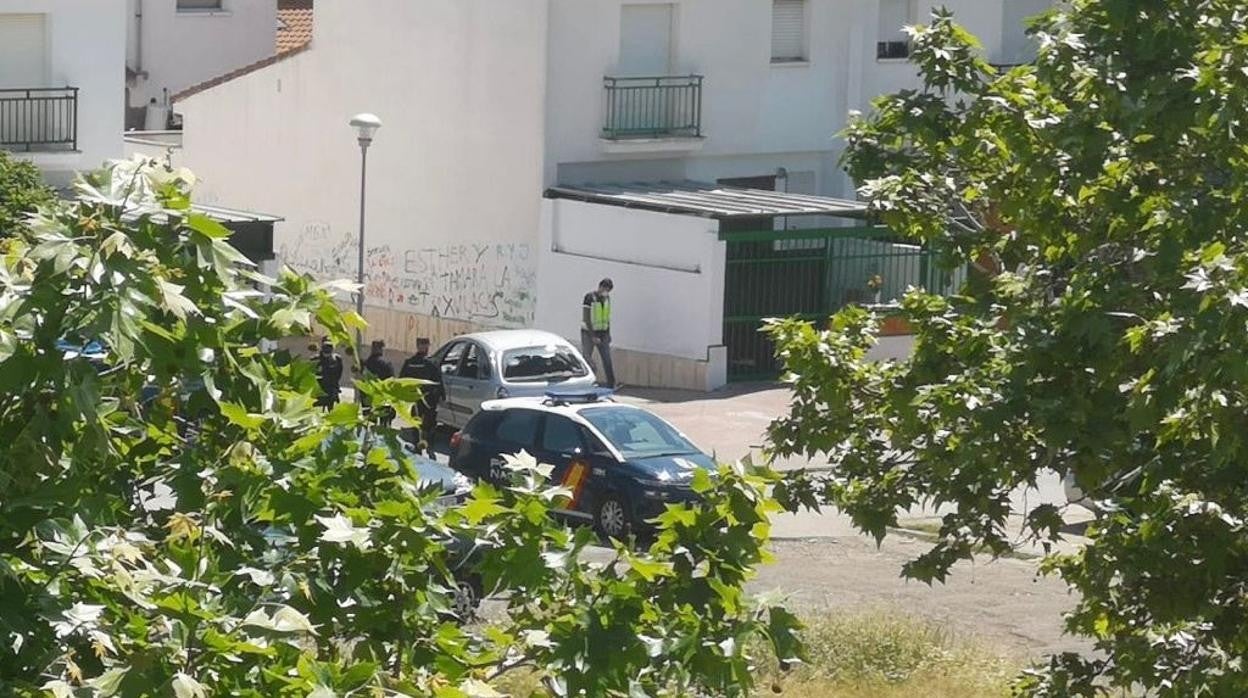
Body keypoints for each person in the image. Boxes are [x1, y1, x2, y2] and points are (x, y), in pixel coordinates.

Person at [400, 337, 442, 458]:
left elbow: (402, 380)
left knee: (417, 422)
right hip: (427, 399)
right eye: (423, 345)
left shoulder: (410, 362)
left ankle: (419, 445)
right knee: (428, 424)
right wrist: (440, 396)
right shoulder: (430, 363)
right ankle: (427, 445)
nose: (424, 347)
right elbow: (438, 381)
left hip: (417, 399)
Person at [581, 277, 617, 388]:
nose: (606, 292)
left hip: (603, 333)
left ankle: (611, 383)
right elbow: (586, 317)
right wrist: (593, 336)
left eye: (608, 291)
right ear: (600, 287)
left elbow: (607, 317)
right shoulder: (589, 297)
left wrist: (608, 333)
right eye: (605, 289)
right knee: (586, 358)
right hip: (588, 332)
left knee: (607, 359)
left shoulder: (607, 299)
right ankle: (586, 382)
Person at [361, 339, 396, 424]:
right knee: (383, 423)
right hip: (382, 397)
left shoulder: (365, 363)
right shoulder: (387, 364)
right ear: (381, 349)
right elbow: (391, 381)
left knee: (369, 423)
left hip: (368, 397)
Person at [315, 339, 344, 410]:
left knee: (331, 405)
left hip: (331, 386)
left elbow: (339, 372)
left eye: (329, 348)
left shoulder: (336, 359)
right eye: (325, 348)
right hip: (319, 386)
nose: (327, 351)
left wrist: (335, 385)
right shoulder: (316, 359)